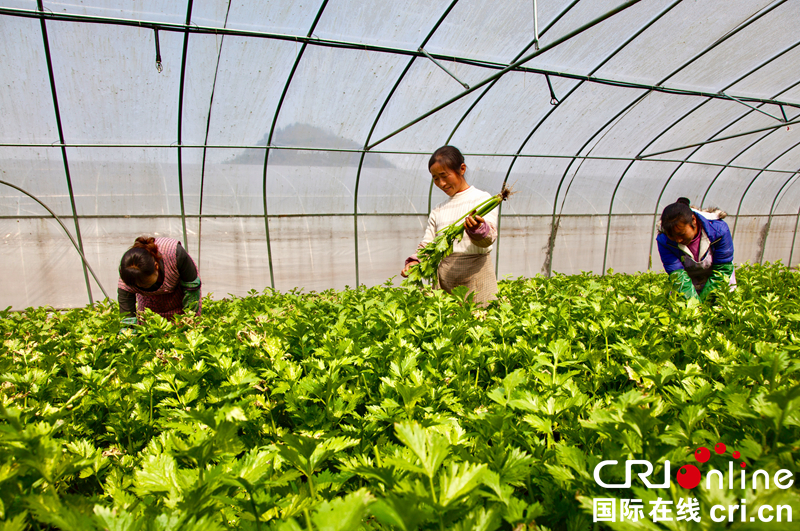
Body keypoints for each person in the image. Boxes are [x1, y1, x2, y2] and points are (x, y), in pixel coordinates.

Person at [401, 145, 498, 304]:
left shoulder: (481, 200)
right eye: (435, 178)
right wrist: (415, 262)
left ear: (462, 169)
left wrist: (477, 230)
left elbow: (489, 237)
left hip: (477, 279)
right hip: (446, 282)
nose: (441, 183)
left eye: (444, 175)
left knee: (480, 322)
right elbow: (428, 243)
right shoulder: (439, 209)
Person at [657, 197, 735, 302]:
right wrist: (694, 306)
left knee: (721, 304)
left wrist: (706, 302)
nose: (678, 240)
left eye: (681, 234)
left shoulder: (718, 231)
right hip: (689, 283)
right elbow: (678, 276)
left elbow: (722, 270)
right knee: (683, 306)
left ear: (693, 220)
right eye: (672, 236)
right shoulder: (664, 240)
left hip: (717, 279)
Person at [118, 236, 202, 327]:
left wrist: (189, 316)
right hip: (149, 304)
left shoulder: (174, 253)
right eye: (137, 285)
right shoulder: (127, 278)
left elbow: (192, 290)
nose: (140, 286)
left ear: (156, 266)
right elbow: (127, 320)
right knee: (151, 330)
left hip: (179, 297)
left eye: (144, 283)